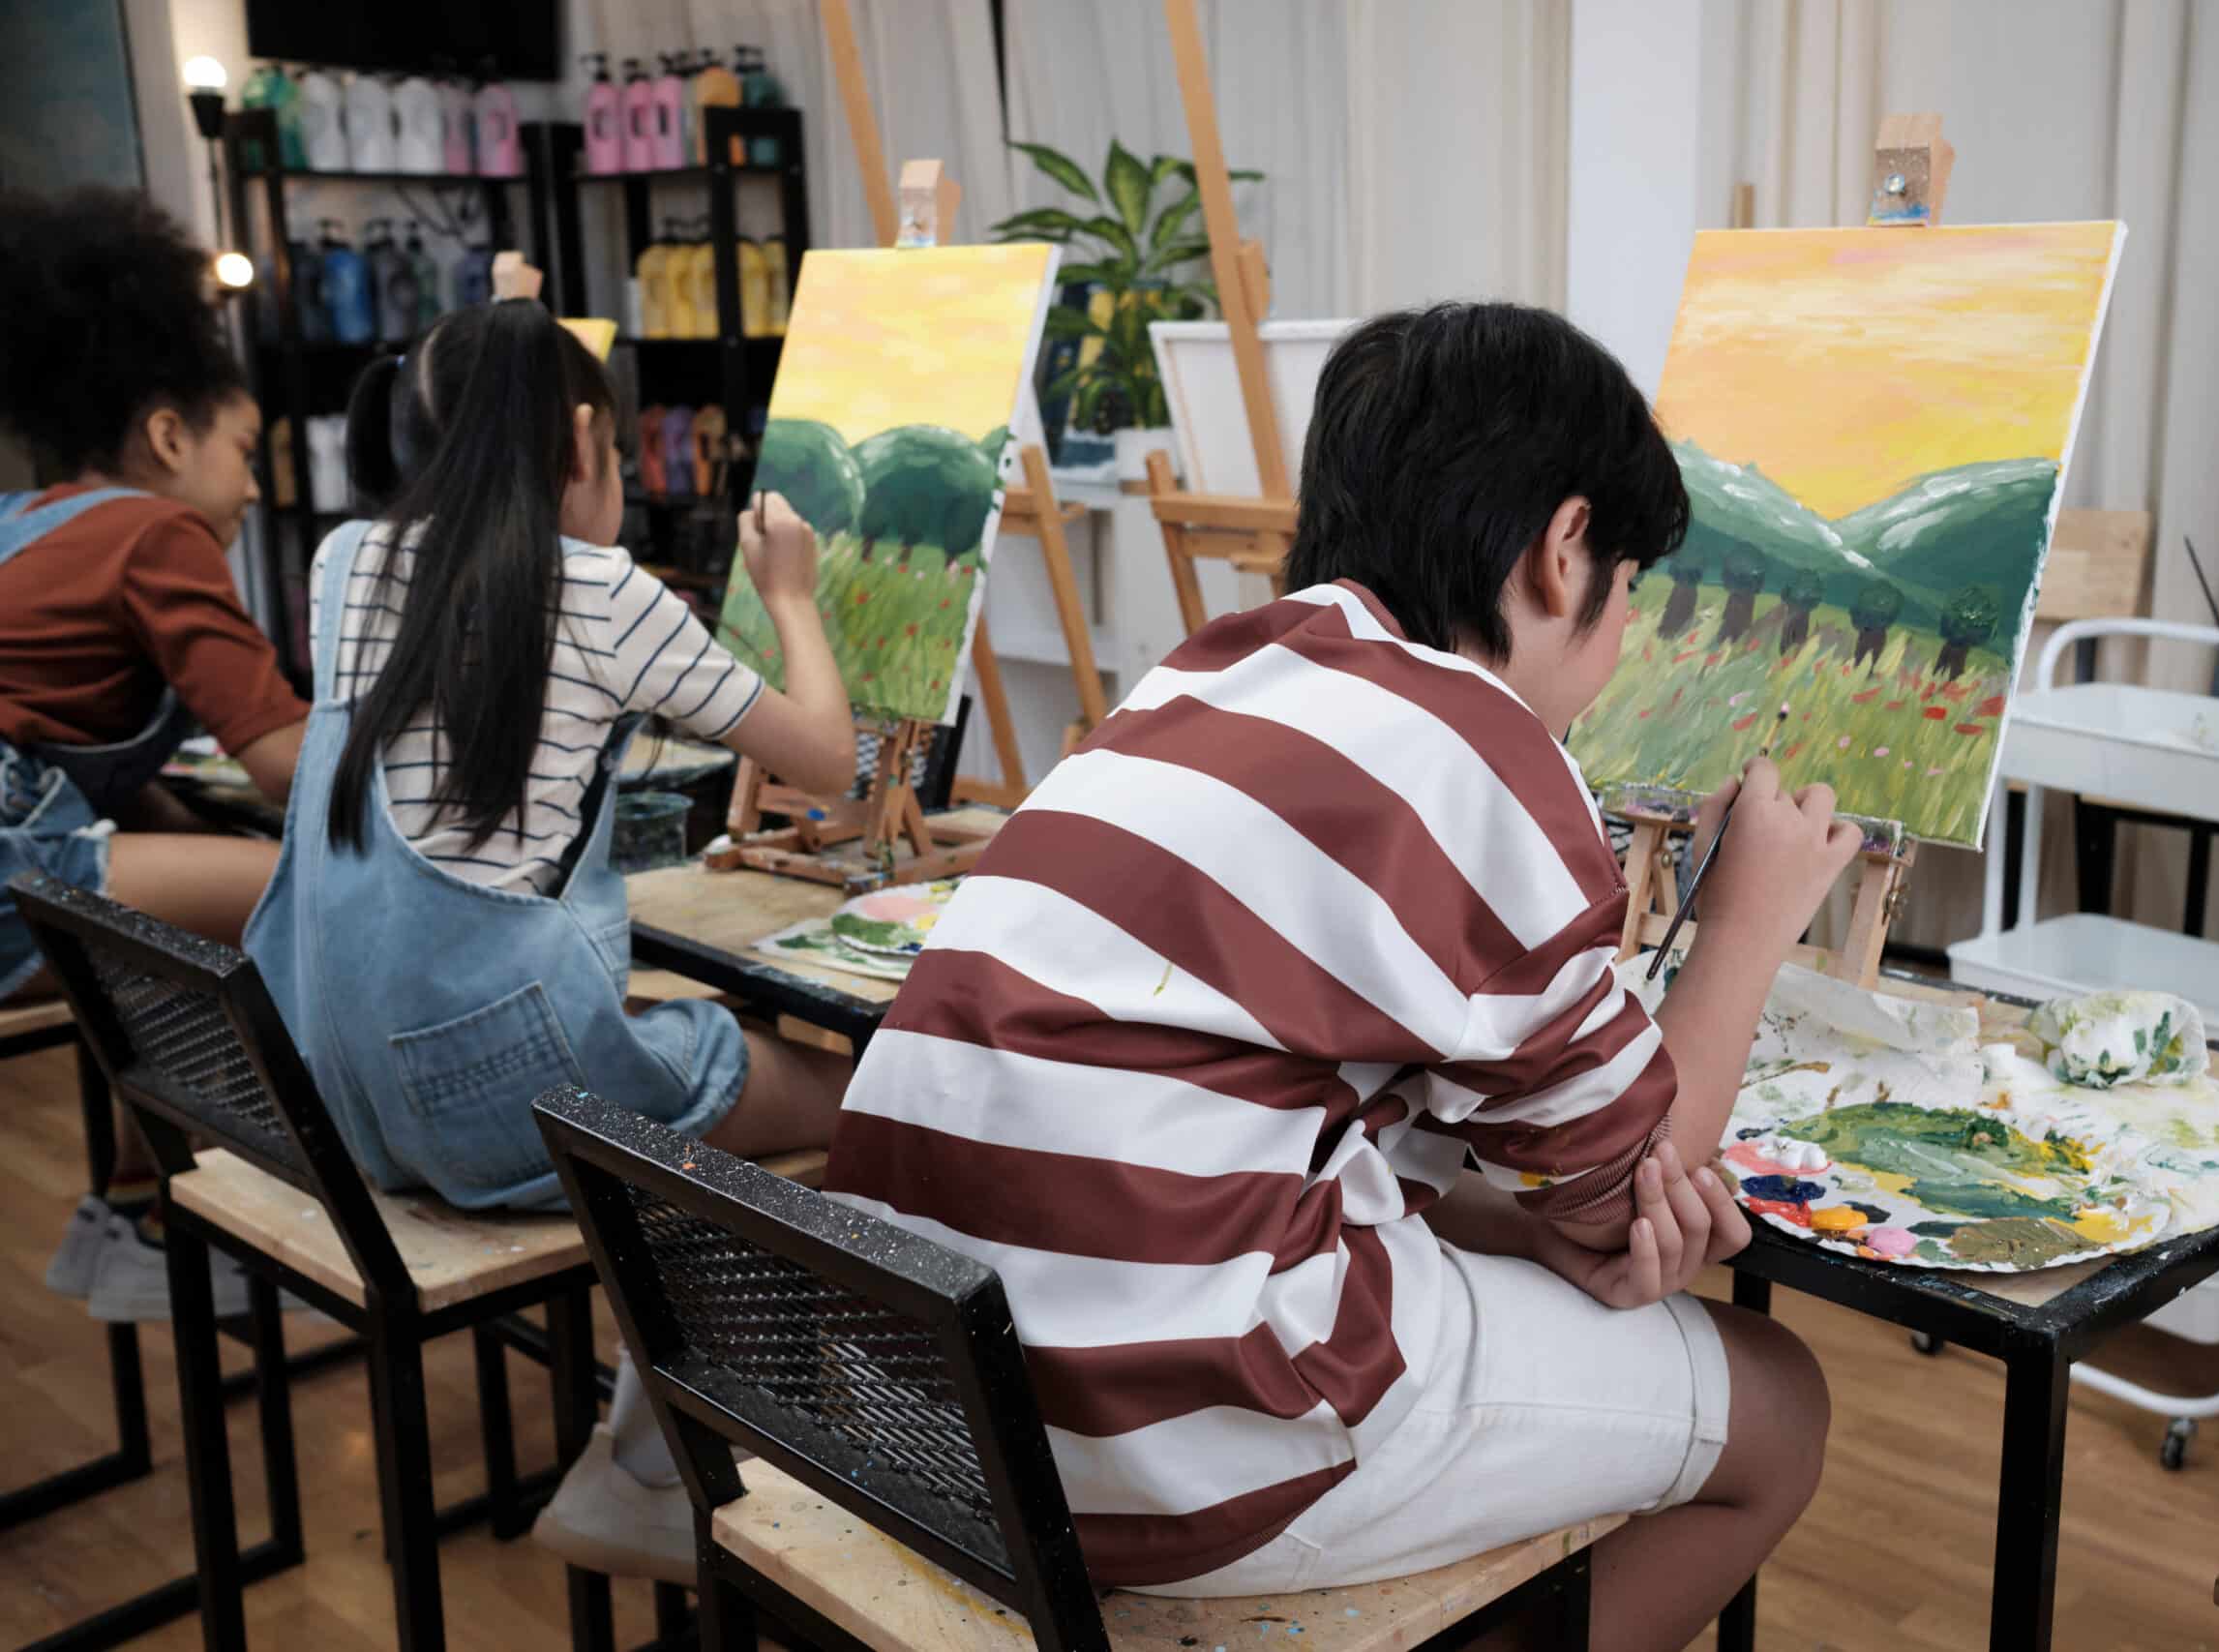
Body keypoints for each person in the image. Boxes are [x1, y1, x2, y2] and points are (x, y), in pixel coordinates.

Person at [820, 302, 1857, 1650]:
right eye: (1631, 590)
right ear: (1562, 553)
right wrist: (1749, 920)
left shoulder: (1200, 679)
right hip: (1156, 1439)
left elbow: (1305, 1123)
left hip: (932, 1390)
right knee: (1780, 1404)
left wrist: (1545, 1209)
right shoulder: (1475, 746)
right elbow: (1639, 1202)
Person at [241, 295, 858, 1577]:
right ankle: (654, 1459)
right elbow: (834, 762)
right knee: (861, 1098)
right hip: (483, 1095)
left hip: (331, 1082)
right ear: (582, 435)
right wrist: (787, 592)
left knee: (686, 1073)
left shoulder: (346, 560)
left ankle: (644, 1436)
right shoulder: (600, 588)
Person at [0, 186, 312, 1321]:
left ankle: (147, 1206)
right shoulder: (156, 530)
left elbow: (63, 748)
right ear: (169, 435)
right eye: (244, 450)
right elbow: (285, 760)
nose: (253, 486)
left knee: (188, 916)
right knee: (304, 899)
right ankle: (219, 1217)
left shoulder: (27, 520)